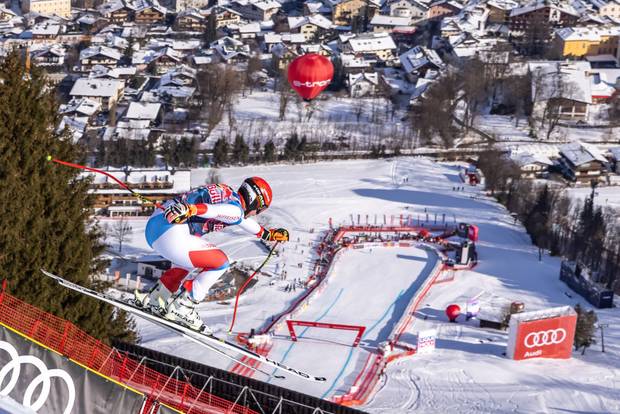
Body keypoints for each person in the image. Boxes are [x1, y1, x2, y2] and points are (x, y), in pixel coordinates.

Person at [135, 177, 289, 332]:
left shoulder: (228, 194)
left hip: (156, 227)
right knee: (221, 262)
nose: (256, 213)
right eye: (260, 209)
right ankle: (184, 306)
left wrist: (267, 234)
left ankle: (158, 298)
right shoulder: (235, 210)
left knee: (188, 261)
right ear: (255, 201)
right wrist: (192, 210)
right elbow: (218, 211)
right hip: (169, 234)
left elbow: (240, 219)